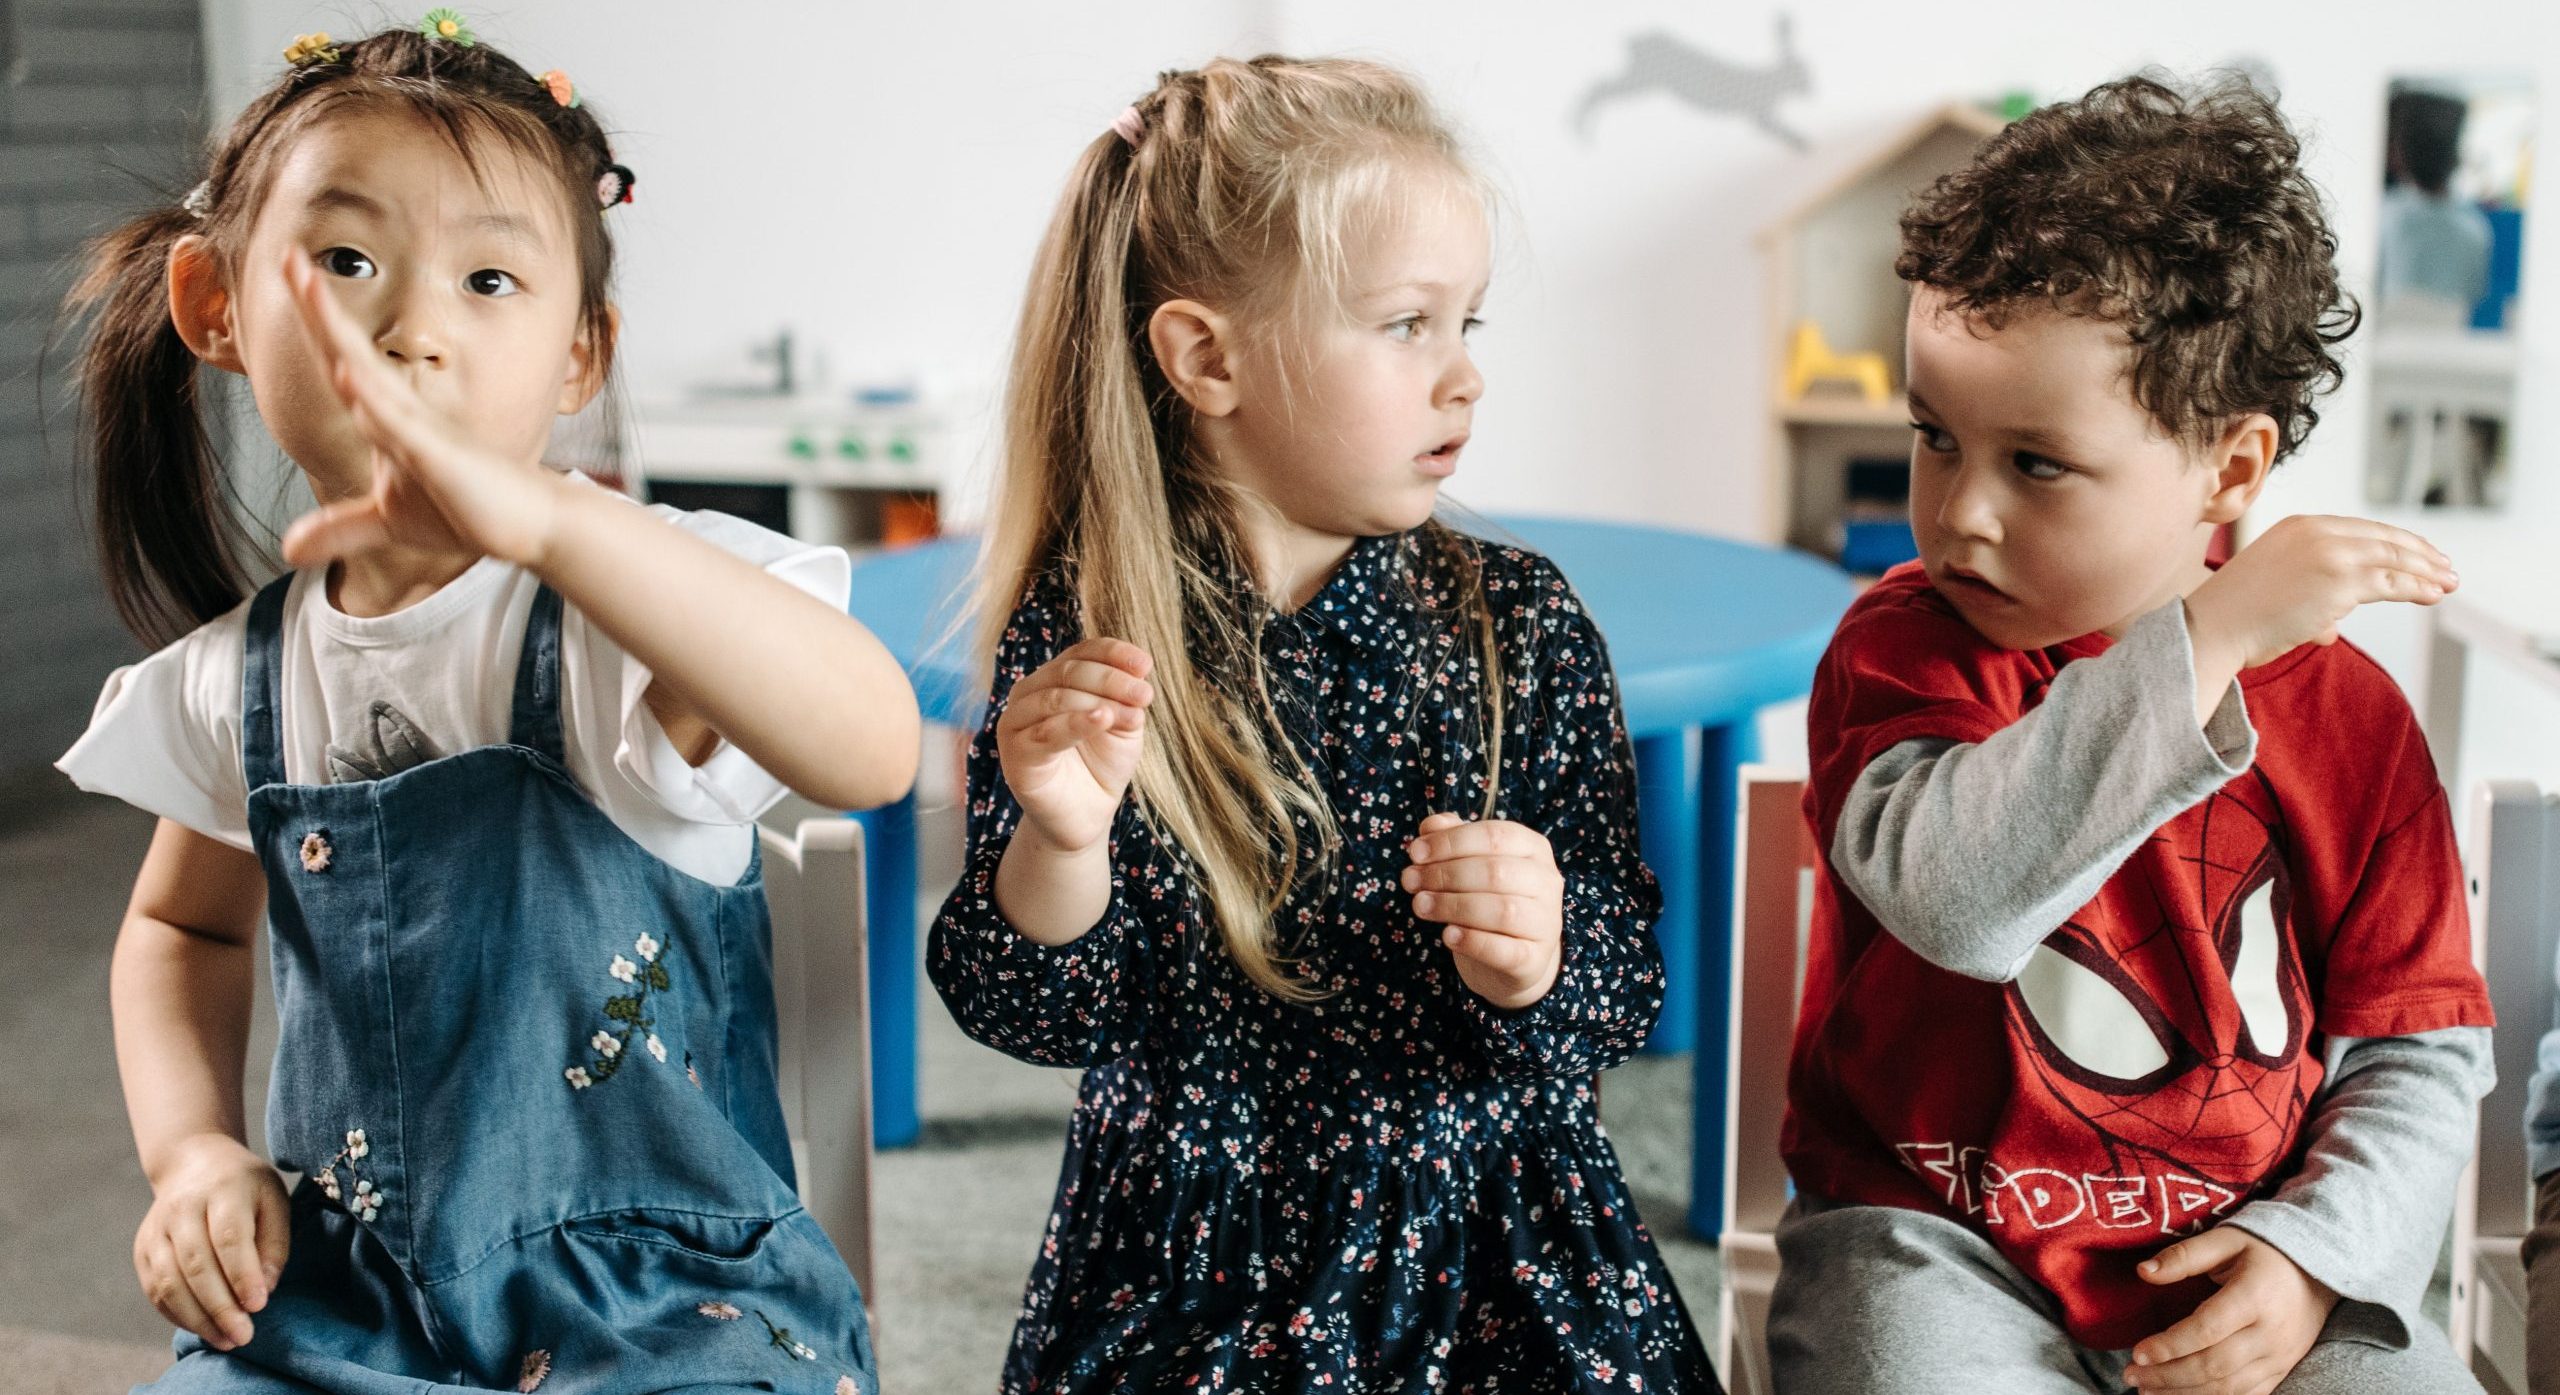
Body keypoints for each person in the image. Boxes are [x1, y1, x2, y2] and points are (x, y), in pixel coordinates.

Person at [56, 18, 913, 1392]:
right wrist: (195, 1152)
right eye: (346, 263)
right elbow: (176, 927)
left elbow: (867, 745)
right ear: (215, 306)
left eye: (490, 278)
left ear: (581, 356)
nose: (413, 327)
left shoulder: (628, 611)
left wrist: (563, 532)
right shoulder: (244, 674)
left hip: (666, 1307)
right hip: (350, 1297)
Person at [927, 54, 1720, 1395]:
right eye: (1408, 324)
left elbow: (1625, 980)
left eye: (1471, 325)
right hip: (1191, 1264)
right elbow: (1031, 1007)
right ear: (1208, 358)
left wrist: (1536, 949)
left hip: (1492, 1243)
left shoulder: (1518, 624)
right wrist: (1060, 846)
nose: (1463, 377)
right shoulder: (1089, 634)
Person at [1771, 75, 2495, 1395]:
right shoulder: (1902, 648)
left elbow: (2418, 1048)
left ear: (2229, 471)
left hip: (2253, 1252)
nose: (1960, 515)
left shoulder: (2352, 719)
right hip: (1933, 1240)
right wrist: (2206, 641)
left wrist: (2314, 1255)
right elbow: (1955, 899)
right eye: (1936, 437)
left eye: (2036, 464)